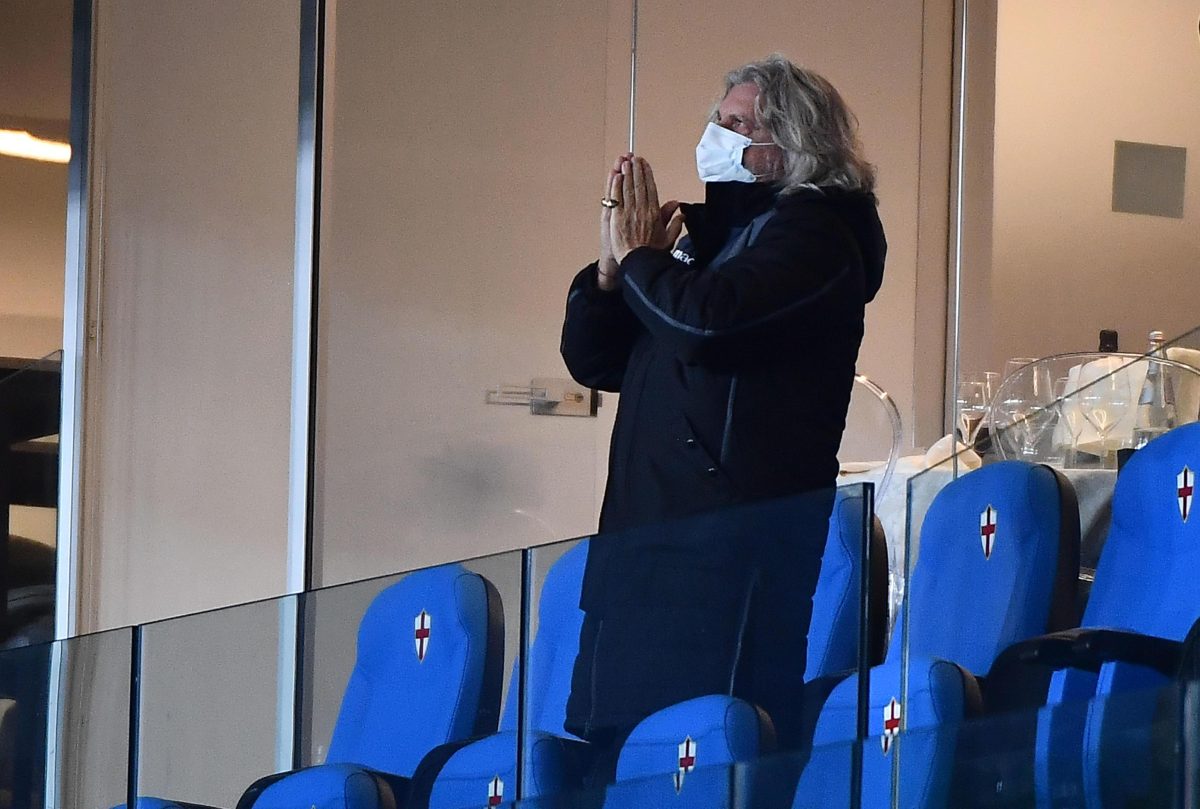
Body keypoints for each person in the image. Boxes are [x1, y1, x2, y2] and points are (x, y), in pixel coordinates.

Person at [559, 55, 887, 771]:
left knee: (700, 766)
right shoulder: (707, 240)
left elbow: (708, 326)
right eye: (720, 117)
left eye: (739, 123)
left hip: (726, 568)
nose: (718, 132)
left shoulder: (819, 236)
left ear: (794, 144)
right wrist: (612, 274)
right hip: (642, 558)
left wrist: (644, 260)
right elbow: (597, 362)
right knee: (614, 765)